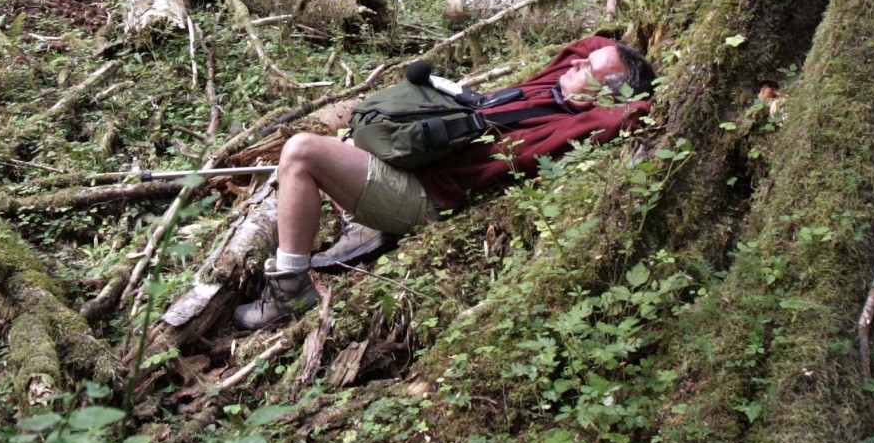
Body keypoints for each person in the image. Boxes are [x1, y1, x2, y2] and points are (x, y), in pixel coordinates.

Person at [233, 36, 656, 329]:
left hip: (428, 195)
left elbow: (630, 112)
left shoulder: (576, 122)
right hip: (423, 169)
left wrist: (631, 95)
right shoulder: (556, 85)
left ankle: (290, 288)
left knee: (302, 151)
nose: (577, 63)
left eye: (589, 70)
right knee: (361, 129)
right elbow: (589, 46)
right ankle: (359, 222)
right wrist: (607, 60)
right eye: (584, 61)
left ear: (604, 97)